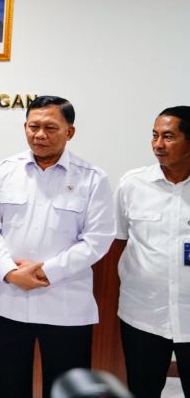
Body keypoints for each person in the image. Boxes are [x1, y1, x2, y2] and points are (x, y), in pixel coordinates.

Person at [0, 95, 116, 398]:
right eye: (33, 126)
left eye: (50, 127)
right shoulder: (4, 171)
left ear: (70, 131)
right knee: (9, 387)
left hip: (65, 307)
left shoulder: (93, 179)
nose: (39, 135)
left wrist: (46, 273)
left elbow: (97, 240)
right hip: (7, 303)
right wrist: (11, 272)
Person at [116, 105, 190, 397]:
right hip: (143, 314)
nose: (158, 144)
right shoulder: (133, 184)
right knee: (142, 390)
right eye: (155, 135)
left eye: (169, 136)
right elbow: (119, 241)